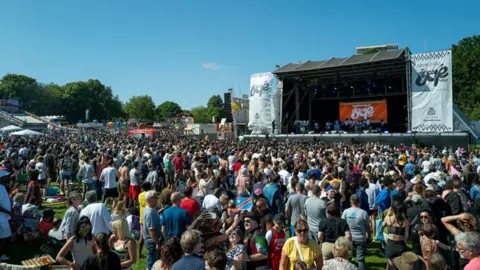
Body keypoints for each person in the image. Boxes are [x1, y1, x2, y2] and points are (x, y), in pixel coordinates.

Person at [341, 194, 370, 270]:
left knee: (348, 257)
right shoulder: (363, 213)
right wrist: (369, 235)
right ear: (359, 202)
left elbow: (342, 224)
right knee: (360, 259)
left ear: (350, 201)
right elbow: (367, 227)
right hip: (361, 238)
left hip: (349, 238)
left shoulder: (346, 211)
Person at [143, 190, 162, 270]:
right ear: (150, 199)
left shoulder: (148, 209)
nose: (157, 199)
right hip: (152, 241)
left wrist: (157, 213)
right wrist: (157, 242)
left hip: (150, 240)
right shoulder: (150, 213)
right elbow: (152, 230)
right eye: (155, 198)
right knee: (151, 262)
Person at [0, 179, 11, 262]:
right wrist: (9, 212)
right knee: (6, 237)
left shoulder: (2, 187)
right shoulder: (1, 188)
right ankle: (1, 255)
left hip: (3, 216)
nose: (9, 177)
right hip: (2, 217)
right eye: (6, 176)